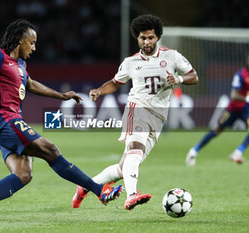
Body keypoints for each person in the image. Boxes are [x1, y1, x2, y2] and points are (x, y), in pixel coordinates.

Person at [0, 18, 123, 220]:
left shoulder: (20, 64)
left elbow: (31, 85)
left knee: (23, 174)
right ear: (20, 40)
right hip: (5, 120)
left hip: (8, 123)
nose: (34, 48)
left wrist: (61, 96)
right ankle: (100, 191)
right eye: (32, 42)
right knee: (51, 150)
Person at [72, 14, 198, 210]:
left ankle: (85, 186)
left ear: (157, 37)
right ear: (137, 38)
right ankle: (131, 196)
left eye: (150, 37)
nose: (146, 42)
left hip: (158, 117)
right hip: (136, 109)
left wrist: (179, 80)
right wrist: (98, 90)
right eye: (142, 38)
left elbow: (193, 75)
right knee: (135, 149)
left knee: (125, 167)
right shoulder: (130, 62)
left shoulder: (171, 56)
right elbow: (115, 83)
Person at [186, 53, 249, 166]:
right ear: (248, 61)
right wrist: (247, 97)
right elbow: (234, 95)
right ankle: (194, 150)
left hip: (247, 108)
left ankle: (237, 152)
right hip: (233, 108)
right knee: (217, 130)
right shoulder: (241, 74)